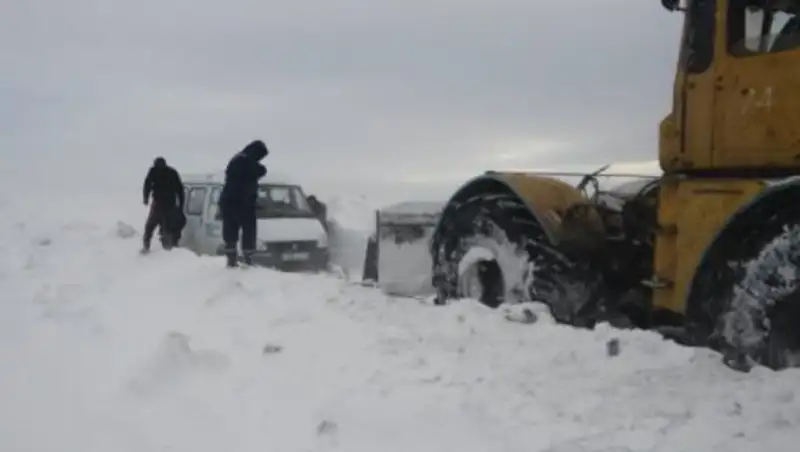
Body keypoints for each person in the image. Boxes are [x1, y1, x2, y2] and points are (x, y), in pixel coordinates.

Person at [219, 139, 269, 267]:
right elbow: (260, 171)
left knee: (230, 232)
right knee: (248, 231)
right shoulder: (246, 160)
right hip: (243, 203)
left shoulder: (236, 159)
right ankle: (248, 260)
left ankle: (231, 261)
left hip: (228, 201)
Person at [142, 157, 185, 253]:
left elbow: (147, 185)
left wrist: (145, 198)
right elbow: (180, 190)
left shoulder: (154, 171)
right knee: (167, 227)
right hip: (170, 204)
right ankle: (169, 248)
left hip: (159, 204)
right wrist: (181, 205)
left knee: (150, 226)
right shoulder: (172, 172)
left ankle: (147, 247)